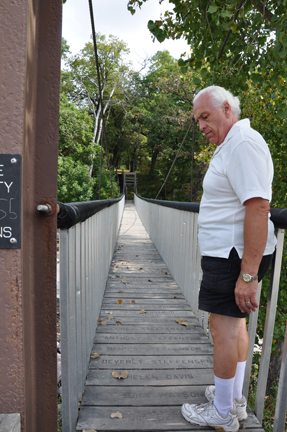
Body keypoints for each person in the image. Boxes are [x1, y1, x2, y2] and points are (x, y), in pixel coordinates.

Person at [181, 86, 276, 432]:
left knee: (221, 330)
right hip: (232, 256)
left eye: (205, 117)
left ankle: (222, 413)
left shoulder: (242, 144)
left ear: (226, 108)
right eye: (197, 120)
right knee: (235, 326)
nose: (201, 125)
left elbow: (258, 206)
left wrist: (247, 275)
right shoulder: (232, 144)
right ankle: (233, 398)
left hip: (232, 257)